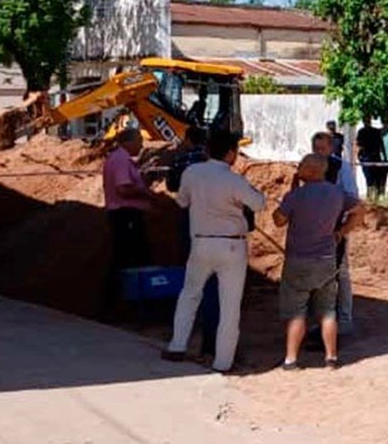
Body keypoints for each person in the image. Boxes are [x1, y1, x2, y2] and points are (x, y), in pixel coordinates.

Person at [164, 130, 266, 371]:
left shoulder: (191, 173)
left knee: (189, 294)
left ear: (208, 149)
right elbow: (259, 204)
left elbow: (182, 201)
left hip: (200, 241)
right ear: (231, 153)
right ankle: (223, 362)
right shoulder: (234, 180)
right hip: (231, 244)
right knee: (230, 306)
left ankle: (177, 346)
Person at [274, 154, 363, 370]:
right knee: (328, 311)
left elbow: (278, 220)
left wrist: (292, 192)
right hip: (326, 259)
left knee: (297, 312)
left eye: (302, 165)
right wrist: (342, 232)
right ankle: (331, 358)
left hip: (298, 260)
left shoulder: (297, 195)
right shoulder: (337, 193)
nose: (299, 168)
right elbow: (360, 210)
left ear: (313, 170)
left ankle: (291, 360)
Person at [167, 127, 220, 364]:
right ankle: (212, 343)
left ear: (188, 139)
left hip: (192, 225)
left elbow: (173, 190)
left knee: (190, 286)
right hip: (220, 232)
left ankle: (180, 342)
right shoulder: (215, 163)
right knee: (215, 289)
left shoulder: (182, 160)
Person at [103, 128, 162, 313]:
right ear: (128, 142)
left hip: (124, 214)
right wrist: (146, 193)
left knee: (129, 258)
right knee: (132, 258)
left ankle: (124, 305)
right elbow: (123, 189)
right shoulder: (121, 160)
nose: (142, 145)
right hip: (126, 214)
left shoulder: (117, 158)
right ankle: (128, 305)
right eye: (139, 141)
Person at [307, 130, 360, 335]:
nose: (319, 152)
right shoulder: (310, 165)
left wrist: (343, 227)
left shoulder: (341, 167)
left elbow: (352, 197)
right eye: (316, 148)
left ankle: (344, 319)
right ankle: (319, 320)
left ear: (331, 148)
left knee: (341, 273)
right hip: (313, 230)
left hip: (336, 226)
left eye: (323, 148)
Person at [356, 116, 388, 200]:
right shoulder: (362, 132)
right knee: (370, 178)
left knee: (375, 177)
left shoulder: (374, 131)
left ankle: (375, 195)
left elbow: (381, 145)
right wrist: (359, 156)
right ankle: (370, 196)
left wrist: (383, 157)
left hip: (373, 157)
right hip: (367, 157)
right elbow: (358, 145)